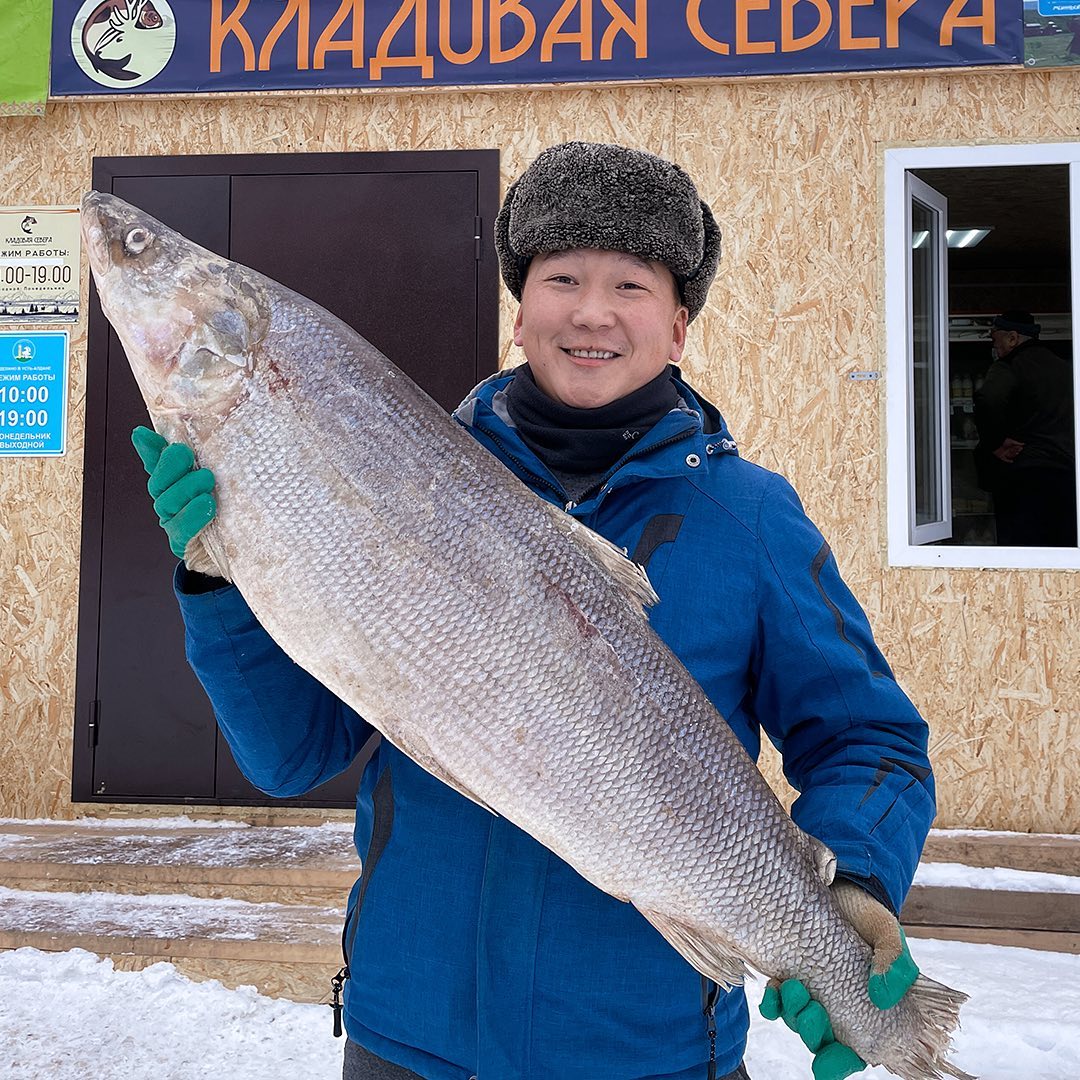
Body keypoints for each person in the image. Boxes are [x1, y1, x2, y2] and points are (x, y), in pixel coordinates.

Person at [133, 142, 936, 1080]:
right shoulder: (407, 489)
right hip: (406, 1044)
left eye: (631, 284)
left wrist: (858, 881)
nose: (592, 311)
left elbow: (870, 738)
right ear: (522, 314)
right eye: (562, 276)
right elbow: (291, 756)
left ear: (679, 328)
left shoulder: (750, 520)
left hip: (648, 1058)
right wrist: (221, 581)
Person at [973, 309, 1076, 547]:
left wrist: (995, 443)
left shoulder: (1008, 366)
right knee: (1061, 548)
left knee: (1021, 549)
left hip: (1023, 474)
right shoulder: (1065, 368)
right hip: (1066, 475)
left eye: (994, 340)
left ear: (1012, 338)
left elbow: (988, 400)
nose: (994, 347)